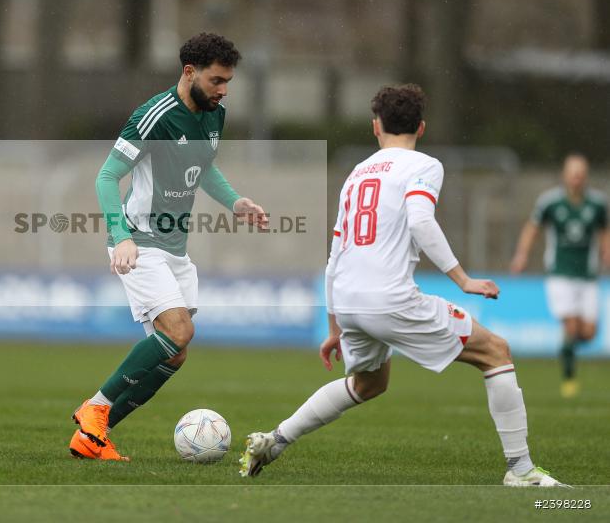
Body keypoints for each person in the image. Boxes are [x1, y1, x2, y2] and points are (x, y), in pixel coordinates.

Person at [239, 84, 567, 487]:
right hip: (389, 299)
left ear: (375, 126)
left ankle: (275, 440)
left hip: (348, 298)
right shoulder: (423, 166)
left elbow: (335, 252)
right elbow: (421, 221)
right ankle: (521, 470)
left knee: (368, 383)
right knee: (496, 352)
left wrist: (334, 326)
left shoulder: (356, 174)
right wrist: (462, 279)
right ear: (422, 127)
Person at [69, 32, 268, 461]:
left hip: (175, 247)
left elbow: (204, 168)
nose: (223, 89)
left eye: (228, 81)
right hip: (139, 242)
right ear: (189, 72)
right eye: (216, 80)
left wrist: (235, 202)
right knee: (179, 331)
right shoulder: (154, 115)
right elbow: (106, 176)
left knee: (175, 354)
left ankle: (92, 436)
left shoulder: (216, 114)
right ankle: (96, 409)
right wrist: (120, 237)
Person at [510, 154, 608, 398]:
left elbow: (604, 230)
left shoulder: (597, 204)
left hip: (588, 275)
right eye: (572, 173)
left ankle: (566, 348)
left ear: (585, 176)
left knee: (588, 333)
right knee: (571, 325)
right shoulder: (550, 203)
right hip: (560, 274)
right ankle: (569, 378)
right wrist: (522, 255)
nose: (576, 178)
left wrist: (607, 252)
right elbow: (532, 228)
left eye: (580, 173)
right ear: (565, 175)